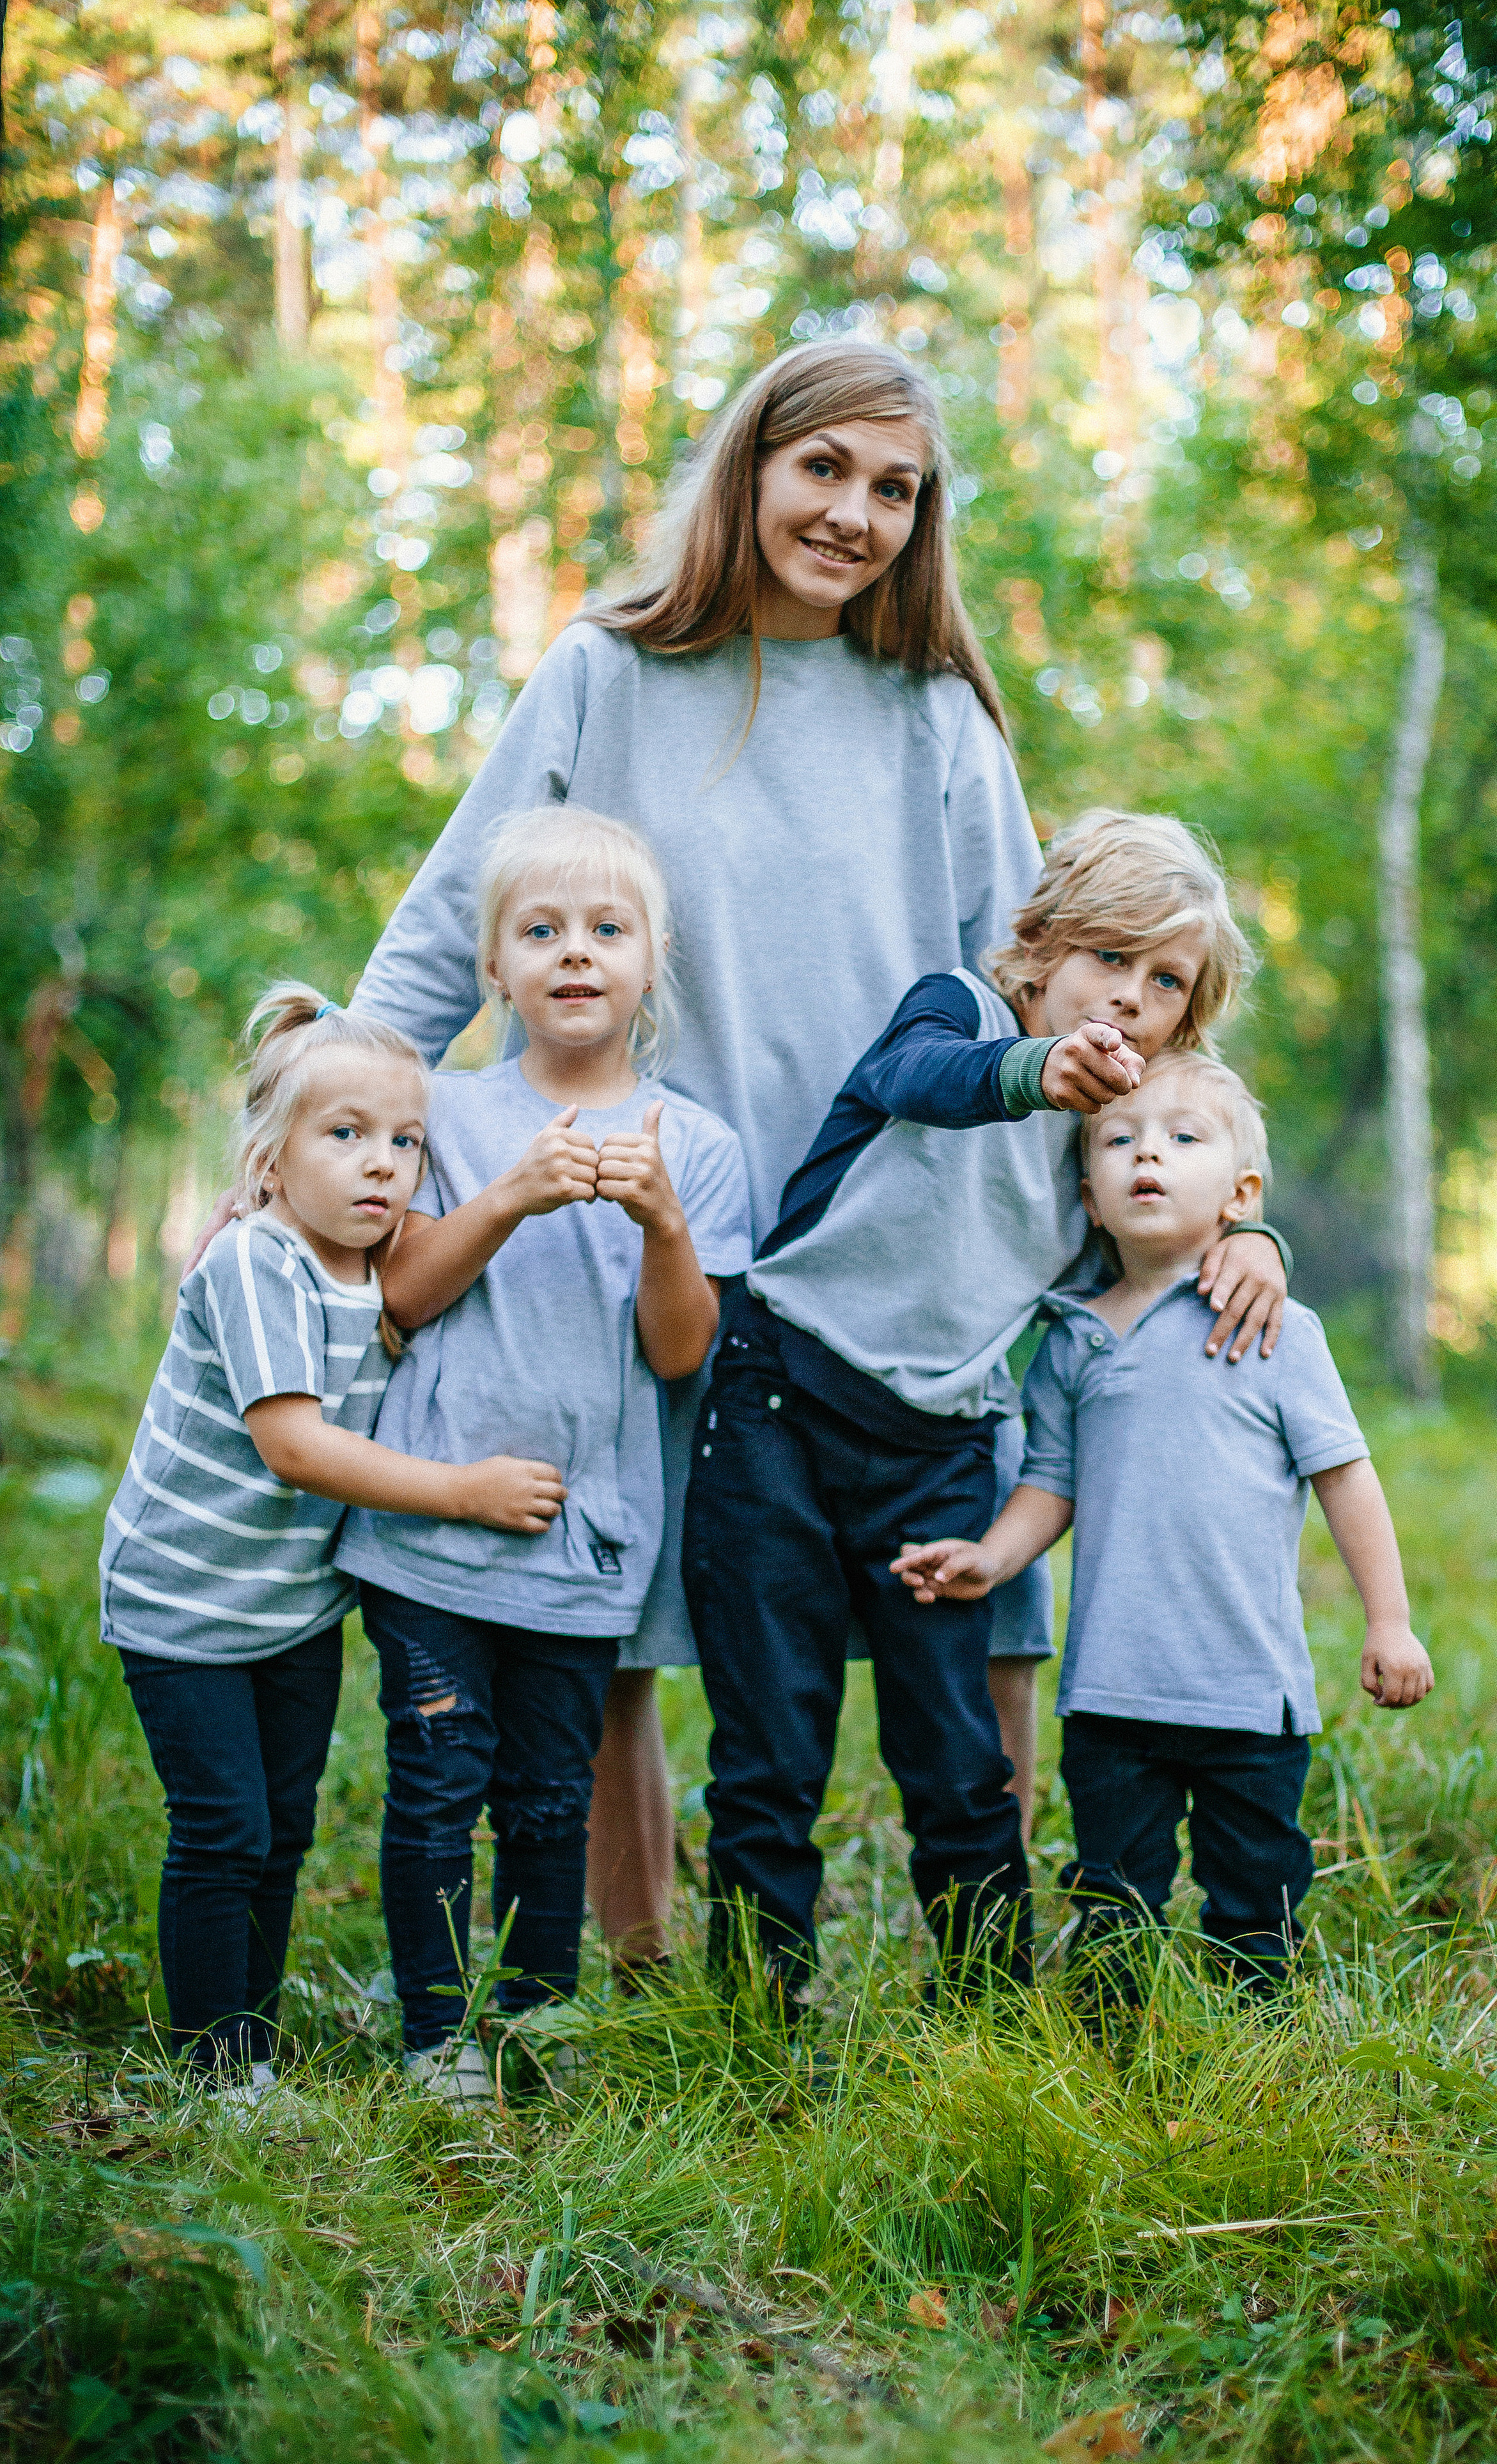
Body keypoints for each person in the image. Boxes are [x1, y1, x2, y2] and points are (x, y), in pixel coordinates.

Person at [194, 338, 1285, 1957]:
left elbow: (1043, 984)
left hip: (894, 1236)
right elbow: (449, 920)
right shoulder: (608, 673)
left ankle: (978, 1950)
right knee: (628, 1592)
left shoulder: (934, 717)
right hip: (640, 1203)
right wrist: (302, 1136)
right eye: (823, 469)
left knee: (975, 1603)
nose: (853, 512)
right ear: (749, 467)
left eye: (893, 489)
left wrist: (1218, 1220)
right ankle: (638, 1958)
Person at [682, 807, 1290, 2007]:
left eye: (1162, 981)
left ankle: (988, 2008)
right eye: (1107, 959)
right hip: (778, 1401)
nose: (1126, 997)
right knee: (772, 1744)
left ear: (1185, 1017)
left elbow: (1189, 1195)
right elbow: (918, 1082)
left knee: (958, 1760)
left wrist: (1256, 1234)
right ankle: (756, 2017)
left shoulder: (1113, 1138)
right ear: (1046, 944)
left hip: (940, 1449)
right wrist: (1034, 1072)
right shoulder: (958, 1010)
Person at [337, 808, 748, 2097]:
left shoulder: (698, 1145)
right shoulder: (443, 1118)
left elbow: (681, 1355)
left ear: (650, 957)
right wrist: (509, 1194)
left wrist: (664, 1224)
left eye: (605, 930)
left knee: (544, 1802)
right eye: (542, 931)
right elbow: (398, 1293)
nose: (576, 954)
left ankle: (529, 2030)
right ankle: (430, 2036)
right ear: (495, 968)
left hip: (584, 1541)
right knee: (433, 1786)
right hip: (429, 1539)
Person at [892, 1046, 1434, 2015]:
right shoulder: (1070, 1341)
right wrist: (992, 1555)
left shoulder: (1277, 1329)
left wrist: (1388, 1622)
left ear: (1240, 1193)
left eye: (1184, 1139)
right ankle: (1118, 2048)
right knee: (1115, 1897)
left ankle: (1254, 2044)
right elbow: (1051, 1485)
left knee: (1257, 1895)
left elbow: (1347, 1476)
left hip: (1246, 1691)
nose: (1149, 1155)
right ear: (1092, 1200)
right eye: (1119, 1140)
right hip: (1111, 1693)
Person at [101, 987, 567, 2096]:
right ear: (269, 1159)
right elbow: (297, 1448)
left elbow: (436, 1275)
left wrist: (507, 1200)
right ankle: (212, 2068)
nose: (382, 1165)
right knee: (223, 1829)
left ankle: (247, 2040)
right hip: (188, 1600)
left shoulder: (372, 1259)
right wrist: (462, 1491)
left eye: (406, 1141)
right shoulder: (256, 1261)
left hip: (292, 1607)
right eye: (346, 1135)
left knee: (282, 1831)